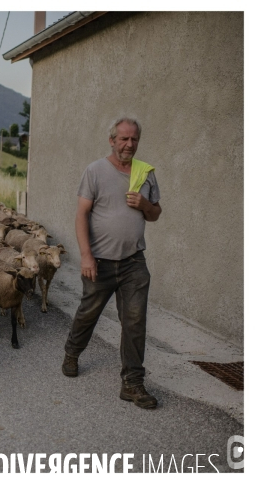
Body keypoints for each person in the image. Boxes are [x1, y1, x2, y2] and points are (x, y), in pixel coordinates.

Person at [62, 117, 162, 409]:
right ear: (112, 140)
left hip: (133, 262)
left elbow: (155, 214)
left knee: (134, 321)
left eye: (134, 139)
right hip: (100, 262)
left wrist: (144, 205)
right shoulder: (95, 171)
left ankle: (132, 383)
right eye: (123, 139)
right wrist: (86, 255)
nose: (129, 144)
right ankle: (72, 351)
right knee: (88, 313)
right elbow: (81, 215)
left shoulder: (145, 173)